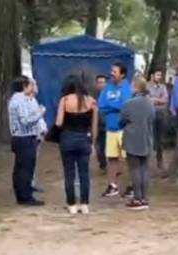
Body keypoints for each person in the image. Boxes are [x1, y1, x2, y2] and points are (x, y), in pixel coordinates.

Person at [55, 75, 98, 215]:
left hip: (67, 139)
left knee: (69, 173)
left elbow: (58, 123)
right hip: (84, 139)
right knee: (84, 173)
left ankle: (71, 204)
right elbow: (94, 126)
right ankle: (85, 204)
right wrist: (93, 143)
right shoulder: (91, 101)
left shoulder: (65, 100)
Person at [8, 75, 45, 206]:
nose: (32, 87)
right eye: (30, 85)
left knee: (20, 168)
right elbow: (25, 121)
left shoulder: (16, 99)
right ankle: (25, 196)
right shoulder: (20, 100)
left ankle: (21, 194)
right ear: (24, 86)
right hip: (24, 138)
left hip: (21, 138)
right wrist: (40, 113)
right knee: (25, 169)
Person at [120, 77, 156, 210]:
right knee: (144, 169)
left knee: (134, 169)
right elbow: (152, 119)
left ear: (136, 87)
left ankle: (137, 198)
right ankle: (144, 198)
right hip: (146, 138)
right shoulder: (150, 103)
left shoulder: (129, 104)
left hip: (132, 139)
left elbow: (121, 121)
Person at [98, 62, 131, 197]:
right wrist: (115, 106)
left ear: (122, 74)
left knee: (128, 158)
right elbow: (101, 105)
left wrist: (110, 105)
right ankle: (112, 186)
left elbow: (125, 106)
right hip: (110, 128)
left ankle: (131, 186)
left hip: (124, 129)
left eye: (114, 71)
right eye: (111, 71)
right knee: (112, 158)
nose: (111, 73)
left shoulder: (127, 87)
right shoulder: (107, 87)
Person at [147, 68, 170, 171]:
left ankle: (160, 160)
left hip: (161, 114)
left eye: (160, 75)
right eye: (157, 75)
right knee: (150, 137)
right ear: (152, 76)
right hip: (150, 114)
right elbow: (147, 100)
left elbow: (165, 99)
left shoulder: (163, 87)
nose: (159, 77)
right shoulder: (146, 86)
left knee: (160, 138)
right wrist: (158, 100)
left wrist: (155, 100)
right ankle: (148, 161)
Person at [93, 74, 108, 172]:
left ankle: (111, 166)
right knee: (99, 147)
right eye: (99, 82)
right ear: (96, 84)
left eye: (103, 82)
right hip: (96, 126)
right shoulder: (93, 96)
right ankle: (103, 163)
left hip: (108, 125)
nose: (101, 84)